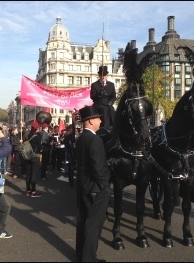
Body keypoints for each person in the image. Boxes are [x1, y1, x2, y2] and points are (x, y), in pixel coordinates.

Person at [75, 105, 111, 262]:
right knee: (93, 225)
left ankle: (81, 255)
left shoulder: (82, 138)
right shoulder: (95, 139)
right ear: (90, 121)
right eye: (97, 118)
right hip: (96, 188)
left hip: (84, 186)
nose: (100, 120)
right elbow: (98, 166)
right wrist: (105, 186)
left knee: (83, 221)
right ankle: (89, 258)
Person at [25, 121, 43, 197]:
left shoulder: (27, 135)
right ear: (37, 129)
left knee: (28, 174)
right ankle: (33, 191)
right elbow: (41, 149)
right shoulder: (37, 138)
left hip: (27, 157)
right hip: (35, 157)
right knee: (33, 174)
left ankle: (28, 190)